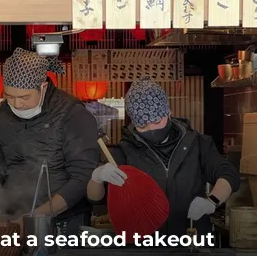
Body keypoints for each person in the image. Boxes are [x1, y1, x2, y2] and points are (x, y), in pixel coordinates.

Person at [0, 48, 100, 233]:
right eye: (9, 96)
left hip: (65, 222)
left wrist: (35, 217)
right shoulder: (2, 116)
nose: (17, 104)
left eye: (24, 97)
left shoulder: (72, 114)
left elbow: (82, 178)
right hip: (13, 217)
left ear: (43, 87)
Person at [87, 76, 240, 237]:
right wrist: (97, 177)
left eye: (157, 121)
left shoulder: (198, 144)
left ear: (168, 112)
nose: (151, 129)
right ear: (133, 122)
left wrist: (212, 201)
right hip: (143, 246)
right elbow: (95, 198)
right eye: (142, 125)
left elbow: (228, 174)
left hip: (191, 241)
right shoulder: (124, 151)